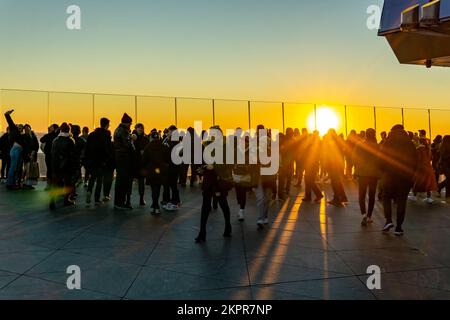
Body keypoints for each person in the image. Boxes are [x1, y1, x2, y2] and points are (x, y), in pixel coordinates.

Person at [195, 126, 233, 243]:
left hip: (219, 180)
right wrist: (202, 168)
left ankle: (227, 225)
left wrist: (214, 166)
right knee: (205, 206)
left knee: (223, 204)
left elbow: (229, 164)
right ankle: (202, 232)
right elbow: (203, 161)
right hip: (209, 180)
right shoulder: (206, 146)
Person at [379, 125, 418, 236]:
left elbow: (380, 159)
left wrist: (383, 172)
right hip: (405, 177)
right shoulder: (410, 145)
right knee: (402, 201)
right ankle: (399, 227)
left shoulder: (387, 143)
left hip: (389, 176)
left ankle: (388, 220)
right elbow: (415, 162)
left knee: (386, 198)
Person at [352, 128, 380, 226]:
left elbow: (354, 158)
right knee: (372, 196)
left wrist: (355, 171)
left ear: (366, 135)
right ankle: (369, 216)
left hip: (362, 173)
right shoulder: (378, 147)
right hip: (374, 174)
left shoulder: (359, 145)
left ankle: (363, 214)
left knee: (362, 195)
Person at [85, 118, 114, 206]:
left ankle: (89, 191)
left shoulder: (92, 134)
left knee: (92, 178)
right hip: (101, 161)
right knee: (100, 180)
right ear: (107, 125)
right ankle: (97, 199)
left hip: (92, 160)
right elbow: (108, 149)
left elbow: (87, 148)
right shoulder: (107, 134)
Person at [49, 122, 76, 209]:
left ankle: (52, 201)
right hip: (66, 166)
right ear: (68, 130)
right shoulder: (70, 140)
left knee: (55, 184)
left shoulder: (55, 140)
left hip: (55, 165)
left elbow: (52, 153)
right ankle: (66, 200)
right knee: (67, 183)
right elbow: (72, 155)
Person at [142, 130, 168, 214]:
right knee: (158, 188)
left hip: (151, 171)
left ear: (151, 138)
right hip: (161, 171)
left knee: (154, 189)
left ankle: (155, 206)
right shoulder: (163, 146)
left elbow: (144, 160)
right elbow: (167, 158)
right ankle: (155, 206)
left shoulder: (147, 147)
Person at [113, 113, 134, 210]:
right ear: (127, 123)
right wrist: (132, 138)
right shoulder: (123, 131)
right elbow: (127, 144)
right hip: (124, 158)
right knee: (123, 181)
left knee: (120, 181)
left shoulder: (118, 130)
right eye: (130, 123)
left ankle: (118, 202)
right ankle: (120, 202)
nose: (131, 125)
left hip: (119, 158)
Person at [409, 132, 437, 204]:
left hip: (421, 167)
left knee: (417, 182)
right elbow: (431, 158)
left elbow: (416, 158)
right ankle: (429, 197)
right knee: (428, 183)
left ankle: (414, 196)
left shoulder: (419, 149)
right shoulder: (428, 148)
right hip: (428, 167)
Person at [323, 129, 348, 206]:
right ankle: (343, 197)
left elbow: (329, 154)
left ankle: (337, 199)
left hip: (333, 165)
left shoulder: (332, 142)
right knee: (337, 182)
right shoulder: (338, 141)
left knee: (335, 182)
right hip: (338, 164)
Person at [162, 125, 182, 211]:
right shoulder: (166, 140)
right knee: (166, 185)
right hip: (167, 166)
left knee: (173, 185)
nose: (170, 133)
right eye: (170, 132)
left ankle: (175, 201)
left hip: (173, 167)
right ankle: (166, 200)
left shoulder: (176, 142)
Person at [4, 110, 24, 190]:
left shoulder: (21, 135)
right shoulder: (14, 130)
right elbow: (10, 122)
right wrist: (7, 114)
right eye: (18, 126)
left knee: (16, 168)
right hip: (15, 150)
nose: (19, 128)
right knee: (13, 167)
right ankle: (9, 184)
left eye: (21, 127)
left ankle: (13, 183)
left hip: (18, 151)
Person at [302, 131, 324, 203]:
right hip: (312, 164)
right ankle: (308, 196)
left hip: (311, 165)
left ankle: (318, 194)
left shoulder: (313, 145)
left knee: (309, 181)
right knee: (308, 180)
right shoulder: (317, 143)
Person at [132, 123, 150, 206]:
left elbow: (147, 149)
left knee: (141, 182)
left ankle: (141, 198)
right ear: (136, 129)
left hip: (141, 164)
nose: (140, 130)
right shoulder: (132, 138)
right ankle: (128, 199)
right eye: (138, 129)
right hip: (134, 163)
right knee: (131, 182)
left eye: (141, 129)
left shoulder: (145, 139)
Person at [40, 124, 59, 189]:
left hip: (48, 155)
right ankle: (54, 184)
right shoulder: (58, 136)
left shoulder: (49, 135)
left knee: (49, 169)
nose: (49, 128)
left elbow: (41, 140)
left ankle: (48, 184)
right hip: (56, 156)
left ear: (53, 129)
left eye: (50, 127)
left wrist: (49, 133)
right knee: (55, 170)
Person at [438, 136, 450, 201]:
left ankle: (439, 187)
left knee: (448, 179)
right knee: (449, 179)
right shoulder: (444, 147)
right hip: (445, 165)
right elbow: (444, 157)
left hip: (446, 165)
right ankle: (447, 194)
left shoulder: (443, 146)